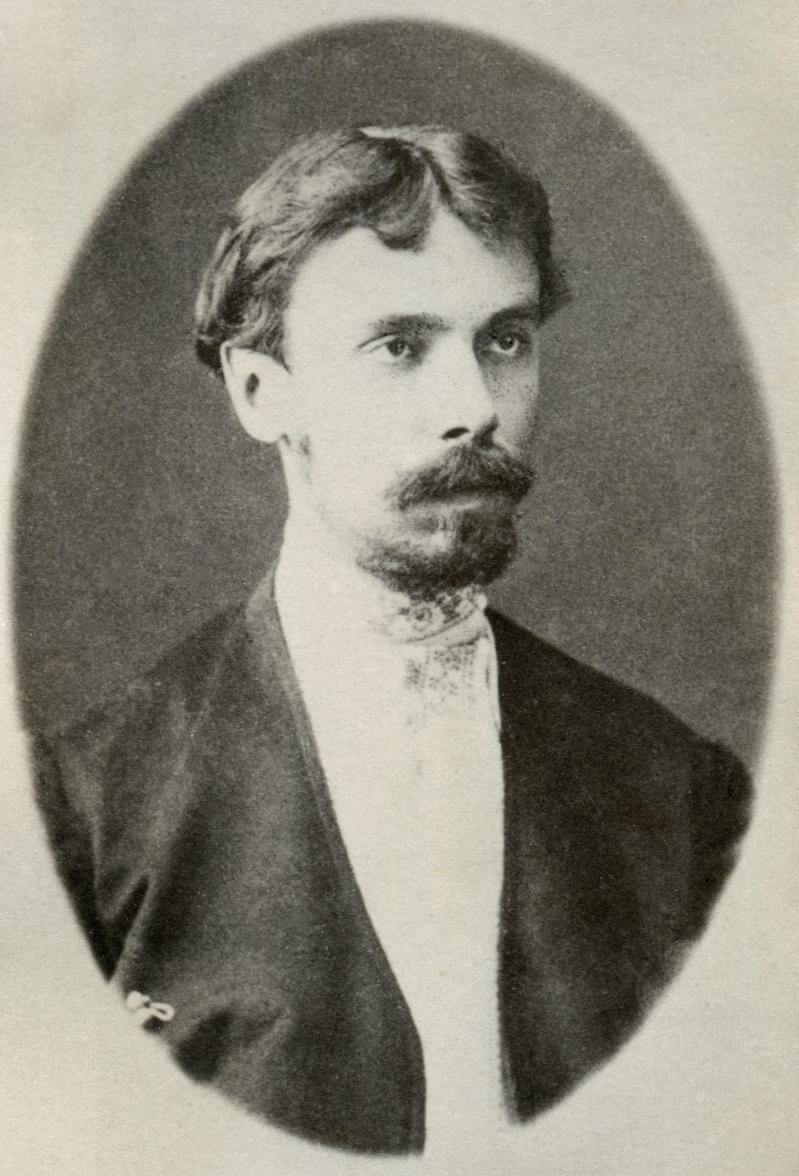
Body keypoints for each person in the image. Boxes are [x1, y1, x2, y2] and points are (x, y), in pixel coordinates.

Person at [30, 125, 751, 1155]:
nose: (472, 409)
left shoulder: (678, 792)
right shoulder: (83, 816)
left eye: (504, 340)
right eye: (399, 346)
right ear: (260, 392)